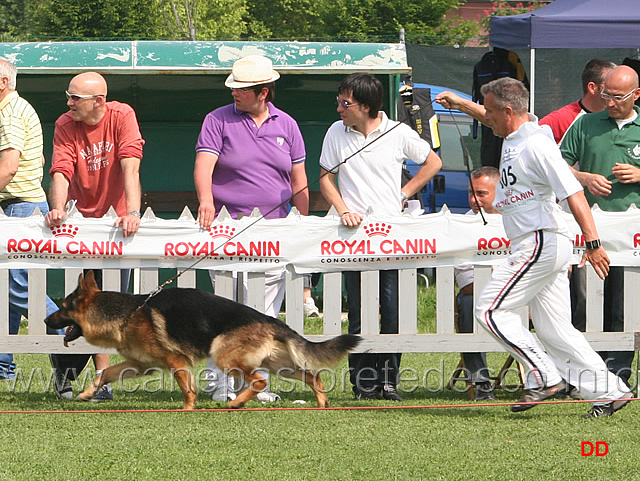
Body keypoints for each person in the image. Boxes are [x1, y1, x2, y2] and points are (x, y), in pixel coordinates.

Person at [435, 77, 632, 418]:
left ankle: (544, 375)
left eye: (492, 112)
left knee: (489, 310)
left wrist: (594, 243)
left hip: (540, 240)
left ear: (509, 111)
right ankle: (610, 392)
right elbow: (488, 114)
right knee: (555, 329)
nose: (487, 118)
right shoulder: (517, 131)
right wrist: (459, 102)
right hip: (542, 243)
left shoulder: (536, 145)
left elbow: (574, 192)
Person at [319, 72, 442, 401]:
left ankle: (389, 382)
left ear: (367, 105)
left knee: (392, 309)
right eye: (339, 101)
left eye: (345, 103)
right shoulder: (336, 132)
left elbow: (432, 162)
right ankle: (362, 383)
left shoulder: (398, 132)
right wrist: (343, 209)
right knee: (359, 310)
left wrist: (405, 192)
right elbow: (326, 179)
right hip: (353, 235)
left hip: (391, 234)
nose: (339, 109)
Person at [194, 55, 309, 402]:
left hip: (274, 232)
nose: (233, 93)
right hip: (228, 228)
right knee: (226, 312)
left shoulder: (287, 124)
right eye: (233, 88)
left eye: (241, 89)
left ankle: (256, 386)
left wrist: (300, 222)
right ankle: (218, 385)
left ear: (263, 92)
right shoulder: (217, 120)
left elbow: (298, 178)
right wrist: (206, 200)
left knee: (265, 315)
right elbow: (204, 165)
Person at [45, 71, 145, 402]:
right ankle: (72, 371)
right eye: (68, 95)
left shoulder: (122, 115)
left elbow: (131, 167)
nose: (68, 103)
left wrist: (131, 212)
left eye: (75, 98)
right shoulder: (65, 124)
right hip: (78, 228)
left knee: (109, 309)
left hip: (115, 228)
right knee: (82, 308)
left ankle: (92, 377)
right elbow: (61, 170)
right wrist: (57, 209)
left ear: (98, 101)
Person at [560, 65, 640, 387]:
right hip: (590, 232)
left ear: (636, 95)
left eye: (618, 97)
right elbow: (557, 166)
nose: (610, 103)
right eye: (606, 95)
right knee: (585, 304)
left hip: (632, 236)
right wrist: (584, 177)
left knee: (624, 305)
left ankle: (619, 374)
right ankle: (586, 372)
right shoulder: (586, 124)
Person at [0, 58, 70, 395]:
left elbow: (9, 167)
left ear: (2, 82)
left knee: (19, 288)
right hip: (22, 206)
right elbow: (38, 160)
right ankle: (2, 365)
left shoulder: (9, 112)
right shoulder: (19, 108)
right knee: (7, 289)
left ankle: (67, 336)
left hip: (19, 209)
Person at [540, 60, 616, 338]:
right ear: (593, 87)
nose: (616, 95)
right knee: (581, 300)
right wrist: (583, 178)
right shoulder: (561, 119)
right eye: (612, 86)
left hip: (619, 225)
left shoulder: (626, 122)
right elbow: (544, 163)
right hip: (573, 225)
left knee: (618, 300)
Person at [454, 166, 500, 401]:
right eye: (471, 193)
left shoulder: (519, 221)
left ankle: (547, 379)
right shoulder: (462, 225)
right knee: (468, 302)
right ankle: (481, 382)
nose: (474, 200)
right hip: (481, 296)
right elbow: (465, 281)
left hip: (520, 296)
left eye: (481, 194)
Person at [540, 59, 617, 145]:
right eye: (610, 83)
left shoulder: (618, 117)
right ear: (592, 87)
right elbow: (530, 144)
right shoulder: (561, 119)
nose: (617, 88)